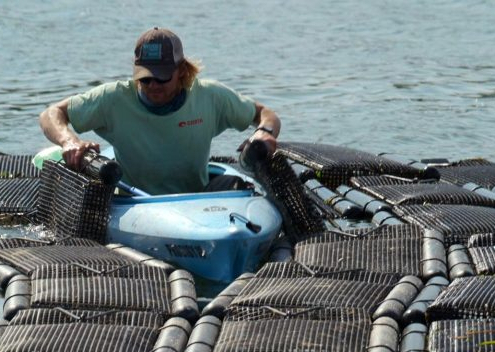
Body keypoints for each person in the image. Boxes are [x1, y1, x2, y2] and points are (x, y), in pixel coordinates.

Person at [39, 27, 281, 195]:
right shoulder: (113, 98)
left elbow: (266, 114)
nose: (152, 85)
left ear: (182, 71)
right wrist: (68, 140)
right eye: (145, 78)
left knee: (238, 186)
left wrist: (264, 131)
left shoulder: (210, 96)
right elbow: (51, 114)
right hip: (134, 201)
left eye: (162, 77)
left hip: (196, 201)